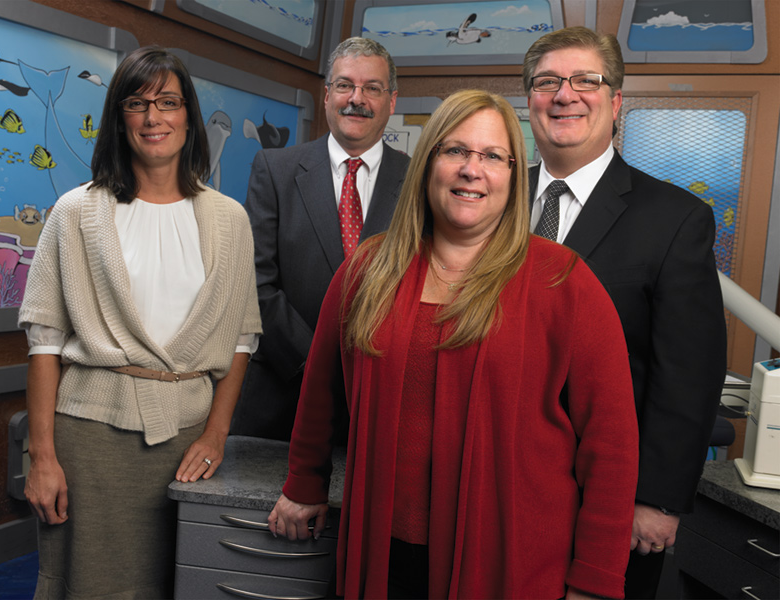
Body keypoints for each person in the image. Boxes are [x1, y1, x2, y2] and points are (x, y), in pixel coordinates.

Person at [268, 89, 640, 599]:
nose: (472, 169)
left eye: (492, 156)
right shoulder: (368, 269)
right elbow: (320, 392)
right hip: (382, 556)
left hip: (512, 566)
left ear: (514, 174)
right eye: (455, 151)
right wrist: (304, 484)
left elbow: (612, 446)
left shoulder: (564, 282)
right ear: (428, 164)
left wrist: (595, 579)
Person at [19, 46, 262, 599]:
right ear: (119, 118)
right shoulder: (75, 212)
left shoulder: (230, 220)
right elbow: (44, 343)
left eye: (168, 102)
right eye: (137, 103)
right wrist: (43, 458)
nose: (154, 117)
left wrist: (217, 435)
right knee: (89, 585)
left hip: (191, 442)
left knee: (187, 584)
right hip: (90, 440)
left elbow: (242, 339)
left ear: (188, 116)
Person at [523, 27, 727, 598]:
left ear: (615, 104)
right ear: (529, 100)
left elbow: (688, 374)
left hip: (606, 501)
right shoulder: (489, 199)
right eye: (547, 82)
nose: (565, 95)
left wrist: (657, 498)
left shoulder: (675, 218)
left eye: (586, 80)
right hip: (492, 481)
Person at [230, 37, 410, 441]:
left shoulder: (419, 180)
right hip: (281, 402)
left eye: (372, 88)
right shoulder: (274, 170)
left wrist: (367, 372)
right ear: (327, 95)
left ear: (392, 100)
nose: (356, 99)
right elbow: (256, 283)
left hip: (380, 404)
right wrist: (319, 366)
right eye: (345, 85)